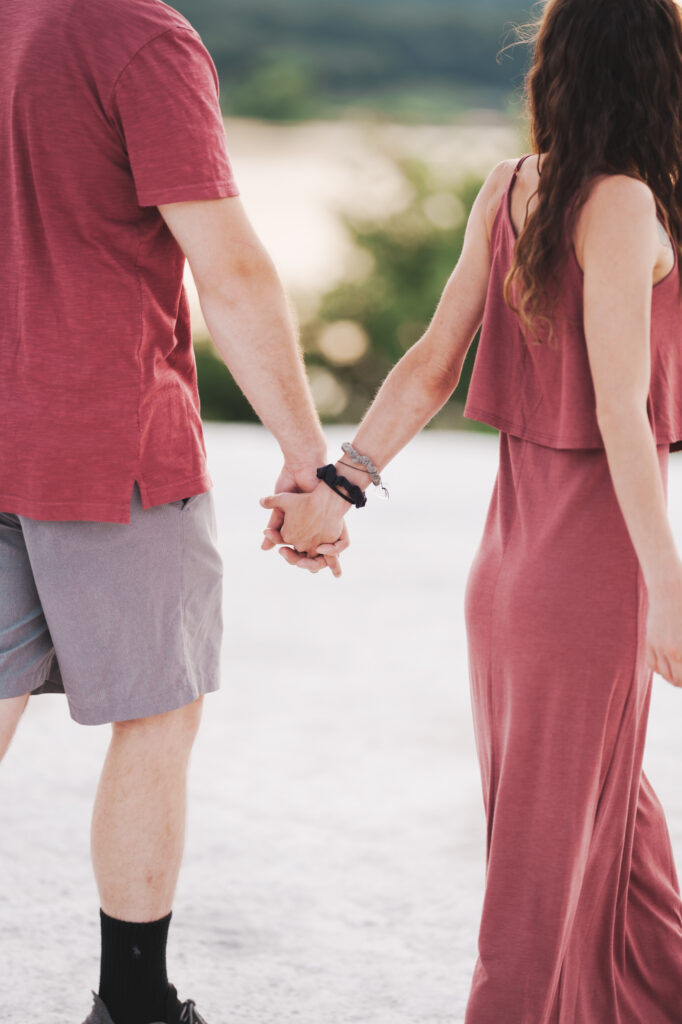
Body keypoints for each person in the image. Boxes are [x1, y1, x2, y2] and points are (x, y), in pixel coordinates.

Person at [261, 0, 682, 1018]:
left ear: (557, 68)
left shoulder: (509, 189)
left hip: (510, 574)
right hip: (590, 577)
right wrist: (668, 593)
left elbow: (427, 368)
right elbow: (624, 414)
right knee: (541, 882)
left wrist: (340, 482)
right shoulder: (622, 203)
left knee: (619, 843)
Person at [0, 1, 345, 1023]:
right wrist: (308, 460)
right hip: (108, 439)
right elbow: (230, 267)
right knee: (159, 709)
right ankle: (137, 1007)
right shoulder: (139, 36)